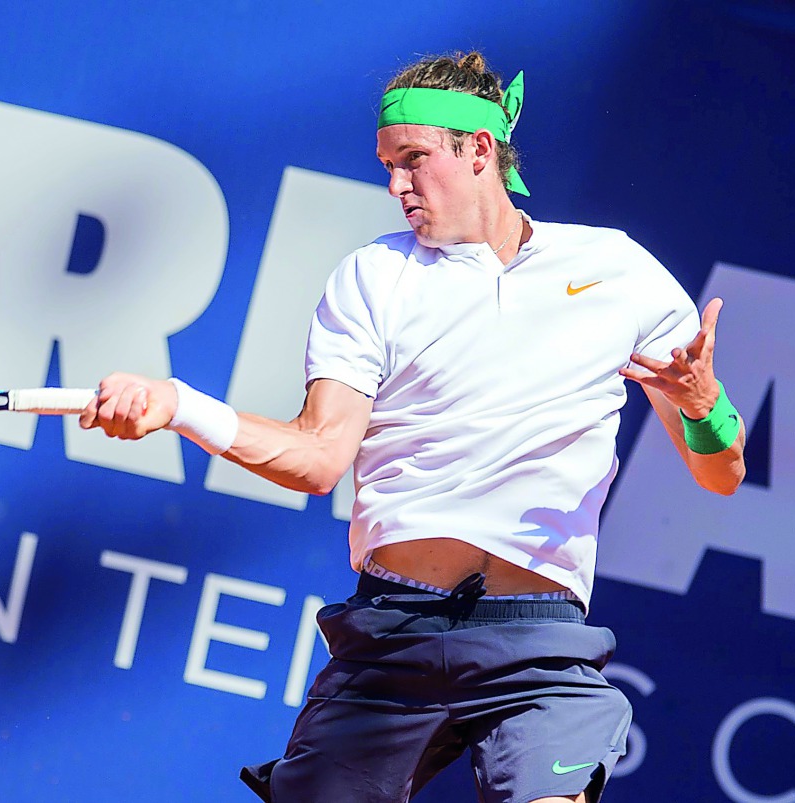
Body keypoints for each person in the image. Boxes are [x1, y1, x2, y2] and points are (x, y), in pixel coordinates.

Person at [80, 52, 746, 803]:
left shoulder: (617, 272)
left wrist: (700, 405)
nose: (396, 185)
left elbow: (721, 473)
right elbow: (318, 456)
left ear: (479, 152)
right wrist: (180, 405)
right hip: (394, 633)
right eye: (387, 165)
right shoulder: (373, 278)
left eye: (413, 160)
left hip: (541, 644)